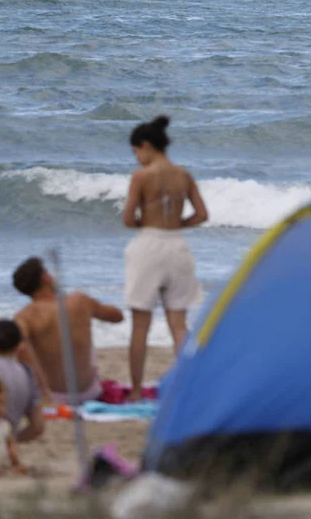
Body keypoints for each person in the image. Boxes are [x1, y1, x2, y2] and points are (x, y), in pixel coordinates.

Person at [123, 115, 208, 400]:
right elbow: (202, 214)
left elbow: (127, 218)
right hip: (178, 247)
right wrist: (176, 225)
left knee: (140, 324)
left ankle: (135, 390)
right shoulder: (183, 175)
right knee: (178, 324)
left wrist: (147, 223)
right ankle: (190, 387)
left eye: (136, 152)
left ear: (146, 145)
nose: (137, 158)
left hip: (149, 245)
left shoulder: (141, 176)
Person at [13, 258, 124, 405]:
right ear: (45, 277)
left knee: (22, 345)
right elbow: (118, 316)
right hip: (90, 393)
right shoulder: (79, 301)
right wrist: (91, 307)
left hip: (52, 396)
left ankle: (44, 388)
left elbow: (20, 349)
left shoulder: (24, 316)